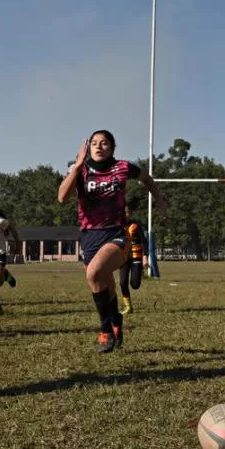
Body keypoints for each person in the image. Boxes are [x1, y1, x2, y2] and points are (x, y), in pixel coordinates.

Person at [57, 130, 167, 353]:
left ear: (112, 148)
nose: (99, 147)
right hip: (89, 235)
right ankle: (116, 319)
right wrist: (77, 167)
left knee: (93, 273)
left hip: (116, 233)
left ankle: (105, 329)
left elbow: (147, 178)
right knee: (104, 285)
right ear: (88, 149)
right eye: (94, 143)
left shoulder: (123, 167)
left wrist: (160, 201)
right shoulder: (81, 170)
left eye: (104, 143)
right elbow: (62, 197)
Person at [118, 200, 146, 315]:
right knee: (122, 282)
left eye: (127, 212)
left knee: (135, 285)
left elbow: (144, 241)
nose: (125, 214)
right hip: (123, 258)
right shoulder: (117, 226)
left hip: (136, 256)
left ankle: (139, 272)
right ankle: (128, 307)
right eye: (123, 212)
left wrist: (145, 256)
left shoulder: (136, 225)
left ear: (131, 213)